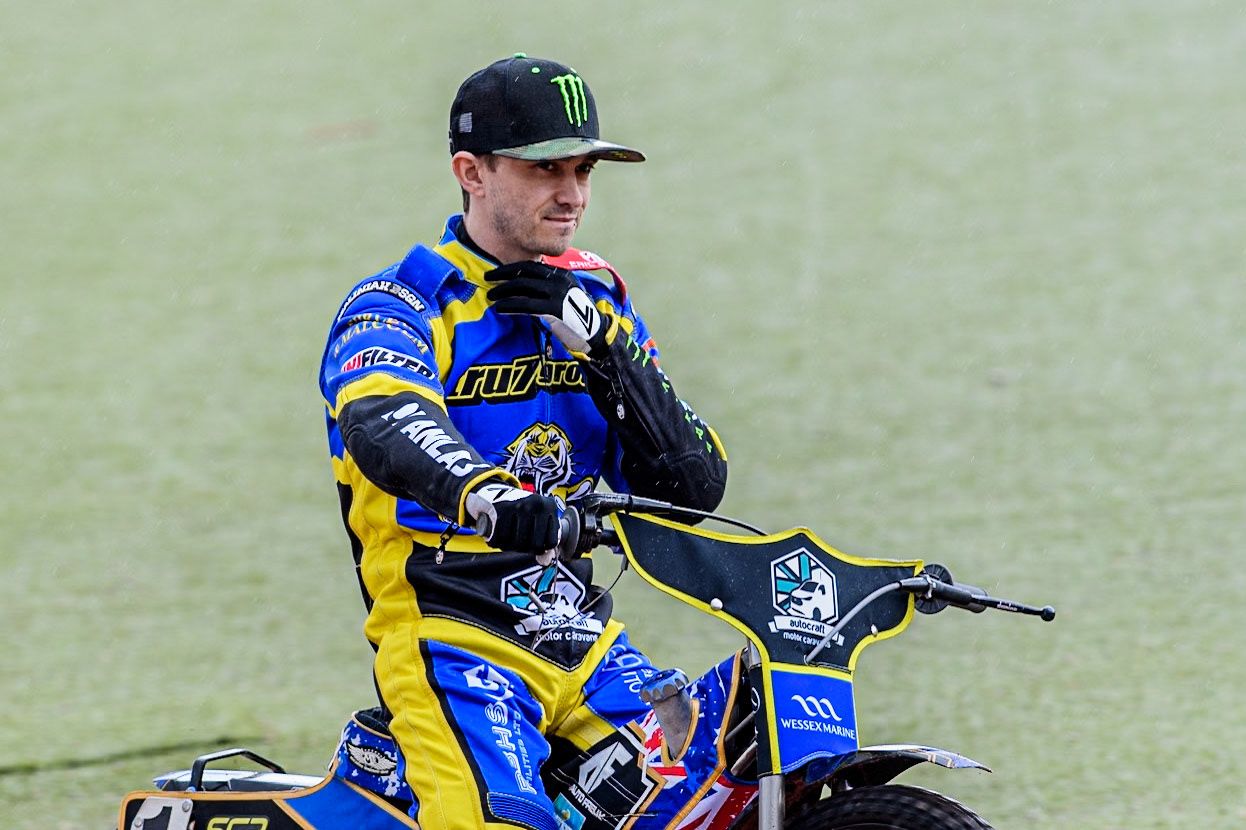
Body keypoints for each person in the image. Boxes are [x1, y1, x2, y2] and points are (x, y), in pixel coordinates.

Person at [318, 54, 728, 830]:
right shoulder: (398, 303)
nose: (571, 194)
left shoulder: (595, 299)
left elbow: (696, 485)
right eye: (545, 170)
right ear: (470, 171)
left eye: (582, 169)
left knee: (712, 787)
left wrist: (610, 354)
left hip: (580, 630)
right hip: (448, 631)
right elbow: (384, 423)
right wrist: (491, 497)